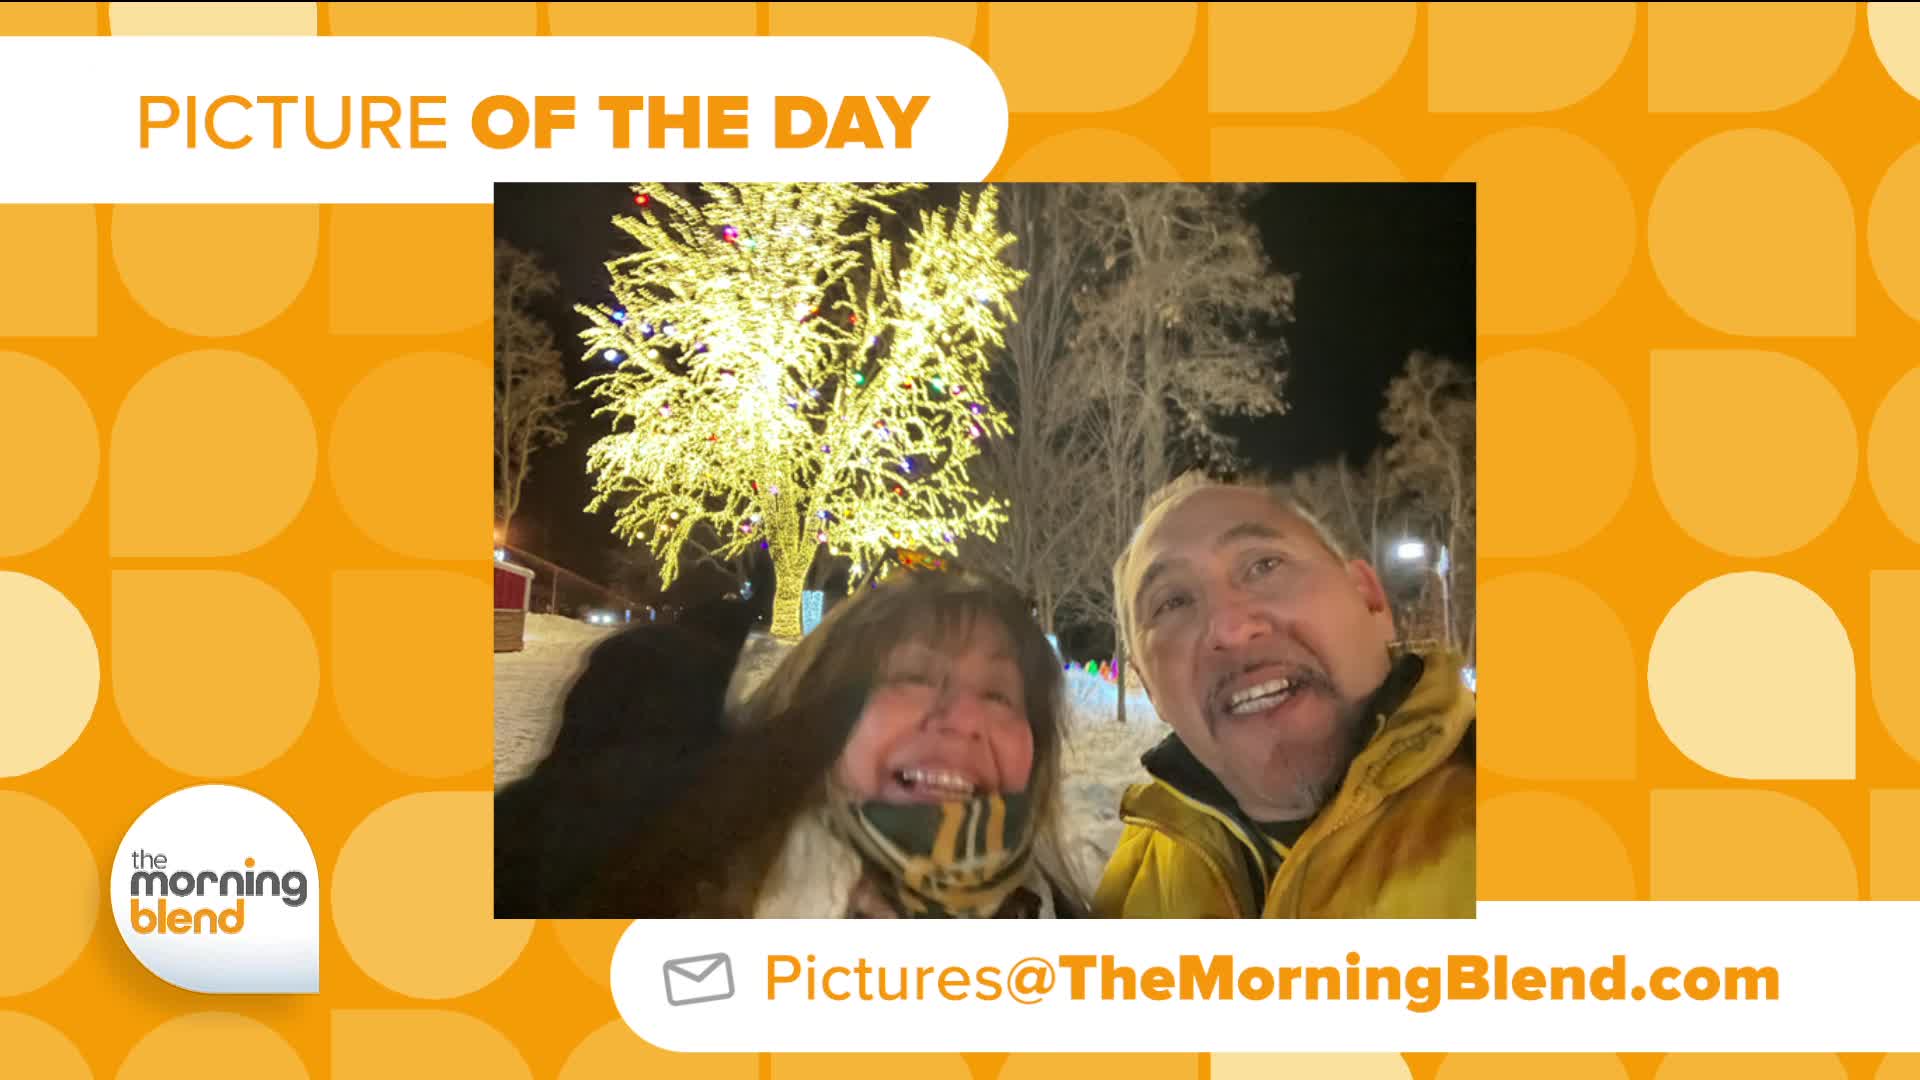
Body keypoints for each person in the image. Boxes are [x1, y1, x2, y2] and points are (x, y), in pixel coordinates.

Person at [503, 569, 1082, 918]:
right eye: (913, 676)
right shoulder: (678, 897)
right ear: (820, 706)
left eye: (1000, 694)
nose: (964, 719)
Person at [1095, 473, 1474, 919]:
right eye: (1172, 602)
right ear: (1148, 685)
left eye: (1264, 565)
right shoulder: (1131, 890)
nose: (1231, 629)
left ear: (1370, 599)